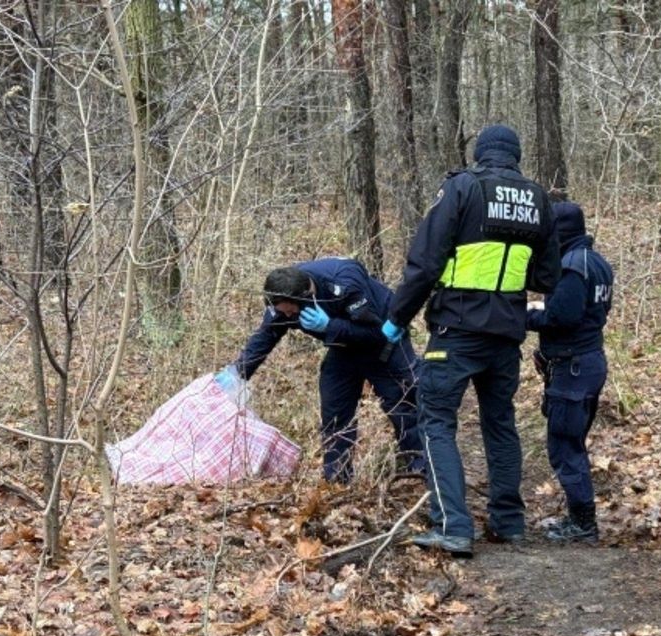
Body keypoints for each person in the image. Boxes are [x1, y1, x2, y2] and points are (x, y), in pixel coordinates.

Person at [381, 124, 561, 558]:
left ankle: (453, 526)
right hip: (506, 332)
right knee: (500, 424)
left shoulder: (463, 188)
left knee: (436, 422)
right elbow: (548, 275)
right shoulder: (538, 199)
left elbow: (425, 262)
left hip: (456, 330)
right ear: (516, 156)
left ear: (481, 154)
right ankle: (509, 521)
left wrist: (396, 317)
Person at [218, 257, 424, 484]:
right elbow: (267, 335)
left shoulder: (345, 285)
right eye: (283, 313)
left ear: (307, 298)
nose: (288, 317)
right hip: (342, 345)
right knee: (335, 407)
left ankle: (421, 467)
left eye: (291, 312)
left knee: (400, 402)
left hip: (384, 339)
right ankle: (337, 478)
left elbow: (376, 333)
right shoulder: (283, 294)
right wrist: (238, 372)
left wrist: (330, 326)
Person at [527, 201, 614, 544]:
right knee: (572, 442)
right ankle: (579, 516)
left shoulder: (572, 267)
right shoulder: (598, 264)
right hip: (587, 362)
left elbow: (560, 317)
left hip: (573, 368)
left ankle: (583, 524)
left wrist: (522, 316)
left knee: (564, 446)